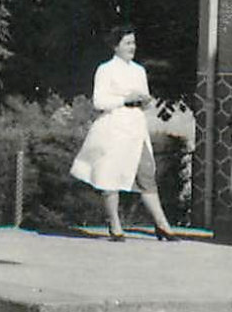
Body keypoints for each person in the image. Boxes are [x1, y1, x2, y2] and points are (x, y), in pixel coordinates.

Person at [69, 25, 179, 242]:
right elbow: (99, 101)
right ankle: (115, 225)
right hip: (114, 126)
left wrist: (145, 101)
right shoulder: (105, 69)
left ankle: (162, 225)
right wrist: (124, 100)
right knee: (110, 174)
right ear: (116, 46)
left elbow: (145, 101)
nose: (132, 47)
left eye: (134, 43)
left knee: (146, 173)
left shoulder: (139, 70)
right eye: (128, 43)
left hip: (136, 126)